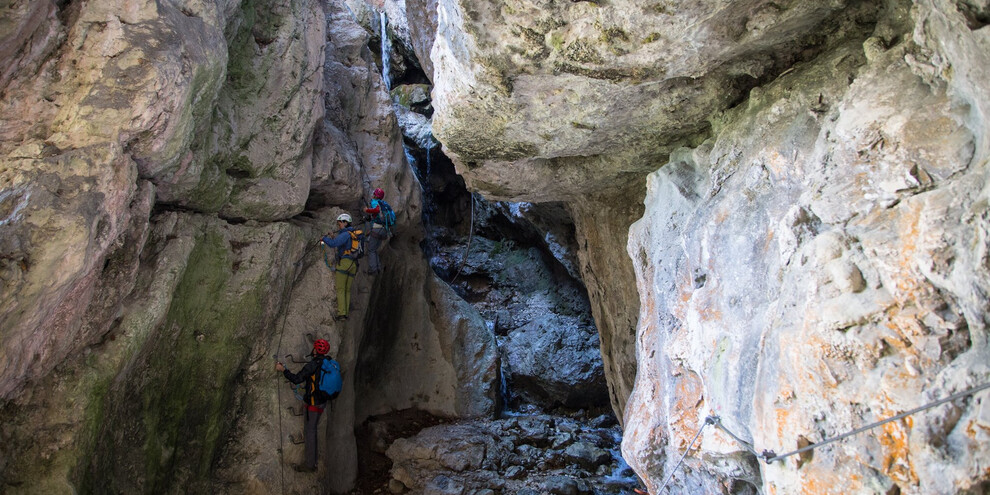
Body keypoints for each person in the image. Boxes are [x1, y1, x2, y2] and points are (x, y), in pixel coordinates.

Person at [275, 339, 333, 473]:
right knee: (313, 429)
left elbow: (297, 379)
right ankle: (313, 461)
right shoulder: (328, 362)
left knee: (310, 432)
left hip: (313, 403)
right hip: (322, 402)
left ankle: (310, 465)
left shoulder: (312, 365)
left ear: (315, 351)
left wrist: (283, 370)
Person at [321, 213, 360, 321]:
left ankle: (341, 314)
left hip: (345, 263)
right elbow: (342, 244)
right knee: (347, 290)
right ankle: (345, 313)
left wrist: (324, 238)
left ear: (345, 222)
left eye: (340, 224)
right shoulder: (353, 234)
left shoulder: (346, 234)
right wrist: (333, 236)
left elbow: (333, 244)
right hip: (354, 264)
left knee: (341, 289)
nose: (339, 226)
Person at [363, 187, 389, 274]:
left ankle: (373, 269)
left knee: (371, 250)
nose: (373, 195)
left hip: (377, 229)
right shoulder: (384, 204)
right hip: (384, 230)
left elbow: (376, 210)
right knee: (374, 249)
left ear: (376, 195)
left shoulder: (375, 202)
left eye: (374, 194)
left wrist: (367, 210)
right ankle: (378, 268)